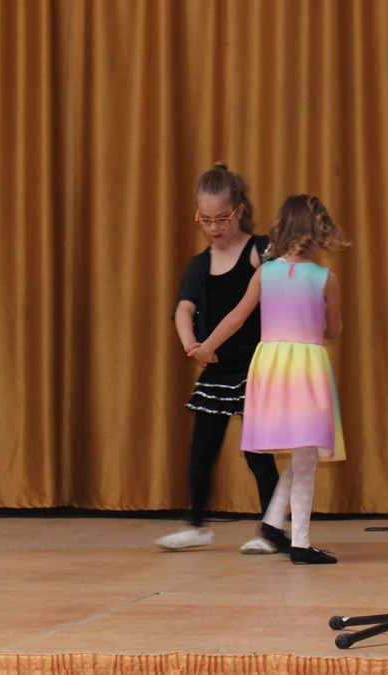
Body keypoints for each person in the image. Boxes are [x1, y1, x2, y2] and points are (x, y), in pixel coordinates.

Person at [188, 194, 349, 564]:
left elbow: (236, 317)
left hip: (270, 366)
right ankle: (301, 544)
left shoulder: (265, 272)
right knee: (305, 452)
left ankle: (274, 523)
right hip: (305, 368)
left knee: (302, 452)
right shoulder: (326, 279)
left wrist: (206, 347)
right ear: (318, 231)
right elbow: (335, 330)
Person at [155, 163, 288, 555]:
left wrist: (207, 344)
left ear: (239, 210)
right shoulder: (199, 264)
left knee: (257, 455)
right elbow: (183, 309)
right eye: (206, 219)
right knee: (201, 453)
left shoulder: (260, 251)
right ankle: (196, 525)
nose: (214, 227)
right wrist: (192, 345)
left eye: (222, 218)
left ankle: (273, 530)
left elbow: (254, 307)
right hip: (216, 368)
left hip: (255, 367)